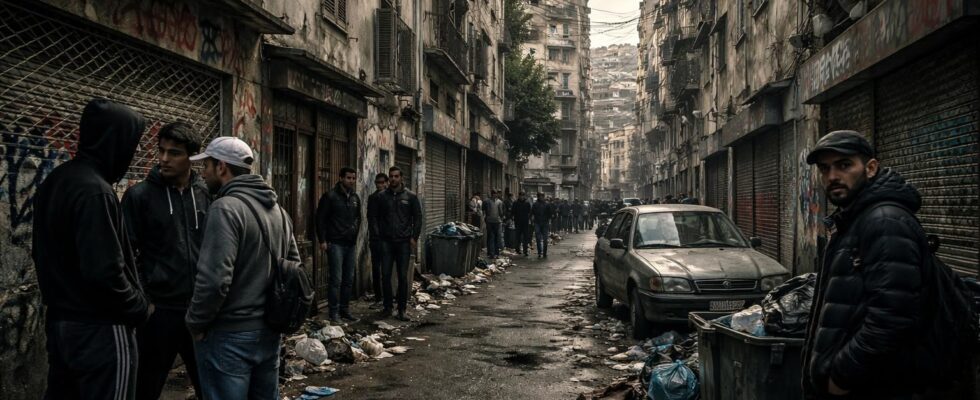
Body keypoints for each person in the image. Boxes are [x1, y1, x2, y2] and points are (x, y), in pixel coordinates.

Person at [800, 130, 955, 399]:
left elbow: (892, 317)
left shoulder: (884, 221)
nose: (832, 177)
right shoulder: (855, 218)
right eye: (825, 169)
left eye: (844, 165)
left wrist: (842, 375)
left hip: (877, 386)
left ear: (870, 168)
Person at [33, 98, 150, 400]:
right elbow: (104, 271)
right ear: (115, 141)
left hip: (63, 323)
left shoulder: (58, 180)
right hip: (101, 328)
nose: (133, 153)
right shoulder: (95, 191)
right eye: (132, 144)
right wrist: (137, 306)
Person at [186, 137, 298, 399]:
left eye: (207, 166)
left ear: (222, 167)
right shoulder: (279, 211)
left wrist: (195, 323)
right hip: (269, 334)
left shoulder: (224, 209)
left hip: (229, 336)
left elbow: (214, 281)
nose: (203, 174)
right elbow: (294, 267)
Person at [122, 121, 209, 400]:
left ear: (192, 157)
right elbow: (125, 254)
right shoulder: (140, 196)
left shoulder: (207, 194)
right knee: (145, 388)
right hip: (160, 312)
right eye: (161, 151)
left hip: (199, 312)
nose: (163, 159)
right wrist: (144, 301)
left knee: (210, 387)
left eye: (174, 153)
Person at [376, 166, 423, 321]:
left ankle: (402, 309)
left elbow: (418, 218)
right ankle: (387, 307)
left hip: (403, 242)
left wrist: (414, 237)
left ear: (401, 177)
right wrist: (379, 235)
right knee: (386, 275)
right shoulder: (382, 197)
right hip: (387, 242)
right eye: (391, 176)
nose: (393, 179)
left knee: (403, 277)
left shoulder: (410, 196)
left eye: (396, 176)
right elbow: (375, 217)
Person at [316, 166, 362, 323]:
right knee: (336, 279)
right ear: (341, 178)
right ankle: (333, 312)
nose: (351, 181)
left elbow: (358, 218)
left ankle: (344, 309)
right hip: (335, 243)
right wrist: (322, 240)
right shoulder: (330, 197)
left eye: (353, 178)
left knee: (348, 279)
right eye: (348, 178)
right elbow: (320, 219)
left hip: (350, 244)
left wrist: (354, 235)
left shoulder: (355, 197)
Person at [366, 173, 389, 309]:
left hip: (389, 238)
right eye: (377, 183)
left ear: (386, 183)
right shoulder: (373, 198)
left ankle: (387, 298)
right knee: (376, 268)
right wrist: (377, 235)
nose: (380, 185)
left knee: (387, 269)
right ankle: (378, 297)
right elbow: (371, 218)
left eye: (382, 182)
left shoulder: (391, 196)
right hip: (377, 239)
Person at [531, 193, 554, 258]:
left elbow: (550, 214)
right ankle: (539, 252)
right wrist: (532, 220)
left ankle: (544, 252)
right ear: (538, 197)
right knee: (538, 239)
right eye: (540, 196)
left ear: (543, 197)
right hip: (537, 223)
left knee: (545, 239)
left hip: (545, 223)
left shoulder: (547, 205)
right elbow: (532, 213)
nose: (541, 198)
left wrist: (549, 221)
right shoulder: (535, 204)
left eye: (542, 196)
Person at [484, 189, 505, 258]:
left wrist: (502, 219)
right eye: (494, 194)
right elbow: (484, 210)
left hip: (497, 222)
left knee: (496, 237)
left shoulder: (499, 202)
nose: (495, 195)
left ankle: (496, 253)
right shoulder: (487, 201)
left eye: (496, 194)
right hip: (489, 221)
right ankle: (490, 253)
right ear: (491, 194)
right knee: (490, 237)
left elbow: (501, 212)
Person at [512, 192, 532, 256]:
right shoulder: (515, 203)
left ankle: (525, 251)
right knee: (518, 237)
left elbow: (530, 212)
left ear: (524, 196)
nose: (521, 197)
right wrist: (513, 218)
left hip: (525, 222)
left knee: (525, 237)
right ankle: (517, 250)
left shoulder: (527, 203)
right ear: (519, 196)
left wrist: (529, 219)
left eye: (523, 196)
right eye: (521, 196)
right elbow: (513, 212)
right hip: (517, 222)